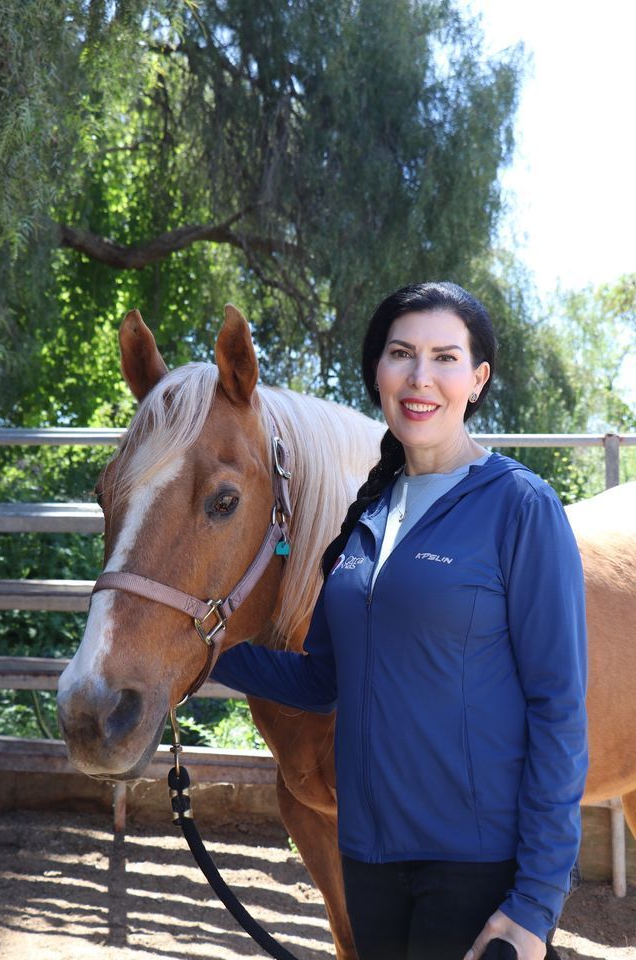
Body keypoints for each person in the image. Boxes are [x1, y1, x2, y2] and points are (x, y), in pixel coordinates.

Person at [211, 281, 588, 960]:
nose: (421, 377)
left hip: (475, 868)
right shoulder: (365, 520)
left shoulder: (520, 507)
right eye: (401, 354)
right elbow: (323, 679)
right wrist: (197, 647)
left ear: (477, 380)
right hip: (369, 858)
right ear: (378, 374)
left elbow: (558, 706)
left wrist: (534, 903)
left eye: (446, 357)